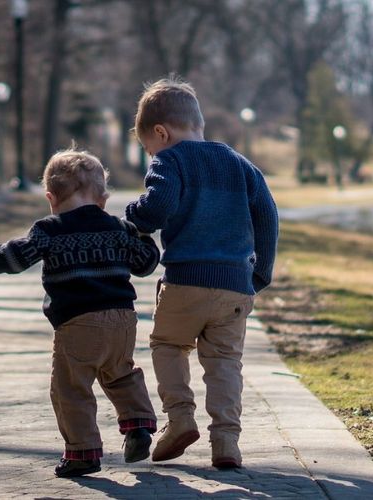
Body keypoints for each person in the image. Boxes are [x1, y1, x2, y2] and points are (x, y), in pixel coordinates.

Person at [0, 147, 160, 478]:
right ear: (103, 198)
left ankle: (82, 452)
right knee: (121, 373)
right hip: (123, 319)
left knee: (70, 387)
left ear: (50, 197)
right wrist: (144, 234)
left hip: (78, 322)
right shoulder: (116, 227)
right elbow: (145, 264)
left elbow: (15, 257)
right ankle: (138, 426)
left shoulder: (48, 230)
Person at [125, 78, 278, 469]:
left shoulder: (170, 160)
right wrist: (260, 272)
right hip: (234, 286)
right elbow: (268, 216)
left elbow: (156, 209)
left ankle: (179, 419)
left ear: (162, 132)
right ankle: (226, 441)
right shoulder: (241, 165)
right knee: (225, 361)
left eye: (148, 148)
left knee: (168, 345)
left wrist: (133, 215)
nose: (151, 154)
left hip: (185, 280)